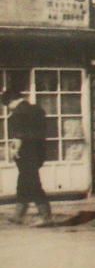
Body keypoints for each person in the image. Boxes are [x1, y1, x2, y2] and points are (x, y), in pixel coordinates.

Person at [3, 86, 53, 226]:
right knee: (24, 181)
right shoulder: (37, 110)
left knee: (32, 183)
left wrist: (15, 149)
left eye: (8, 105)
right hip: (39, 151)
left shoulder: (18, 113)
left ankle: (46, 217)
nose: (9, 108)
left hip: (25, 152)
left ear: (12, 100)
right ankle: (18, 215)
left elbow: (19, 135)